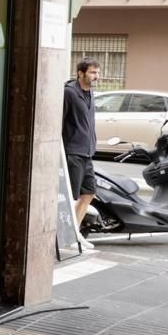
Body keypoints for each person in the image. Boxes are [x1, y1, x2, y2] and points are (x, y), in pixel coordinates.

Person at [63, 58, 100, 228]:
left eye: (97, 72)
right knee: (71, 196)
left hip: (87, 153)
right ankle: (66, 234)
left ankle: (75, 233)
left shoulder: (90, 93)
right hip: (73, 153)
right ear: (80, 73)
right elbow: (60, 122)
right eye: (93, 72)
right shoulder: (69, 92)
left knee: (89, 193)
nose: (96, 76)